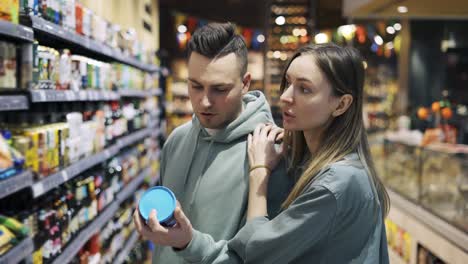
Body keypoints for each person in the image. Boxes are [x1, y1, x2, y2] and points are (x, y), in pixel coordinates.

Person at [136, 43, 391, 263]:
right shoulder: (306, 160)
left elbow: (255, 253)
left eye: (305, 89)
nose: (285, 98)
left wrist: (259, 171)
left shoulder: (335, 183)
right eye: (288, 83)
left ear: (342, 104)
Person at [133, 22, 292, 263]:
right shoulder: (176, 140)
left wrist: (188, 243)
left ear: (245, 83)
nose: (204, 102)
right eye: (195, 86)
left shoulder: (271, 152)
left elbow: (261, 256)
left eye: (219, 89)